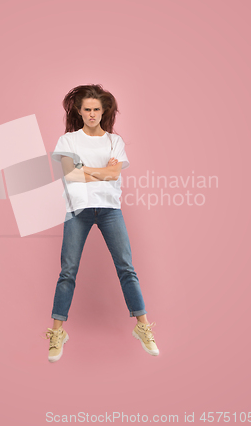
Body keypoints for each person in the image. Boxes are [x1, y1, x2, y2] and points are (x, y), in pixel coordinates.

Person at [44, 84, 159, 362]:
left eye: (96, 109)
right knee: (68, 271)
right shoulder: (68, 141)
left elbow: (112, 174)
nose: (92, 114)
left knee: (126, 268)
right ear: (79, 111)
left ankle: (143, 327)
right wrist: (103, 172)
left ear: (103, 111)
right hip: (77, 210)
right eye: (87, 109)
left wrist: (86, 169)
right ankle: (58, 333)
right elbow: (70, 177)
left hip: (109, 210)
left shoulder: (114, 142)